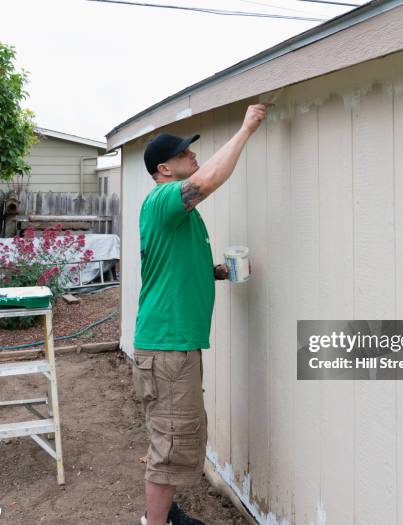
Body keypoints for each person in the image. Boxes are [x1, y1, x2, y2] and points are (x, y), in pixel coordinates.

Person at [134, 103, 271, 525]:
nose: (193, 156)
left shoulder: (178, 215)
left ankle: (167, 513)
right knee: (171, 445)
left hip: (174, 344)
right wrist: (246, 128)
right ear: (165, 169)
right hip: (168, 348)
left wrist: (216, 271)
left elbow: (171, 268)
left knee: (174, 437)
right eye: (184, 154)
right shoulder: (163, 201)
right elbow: (208, 179)